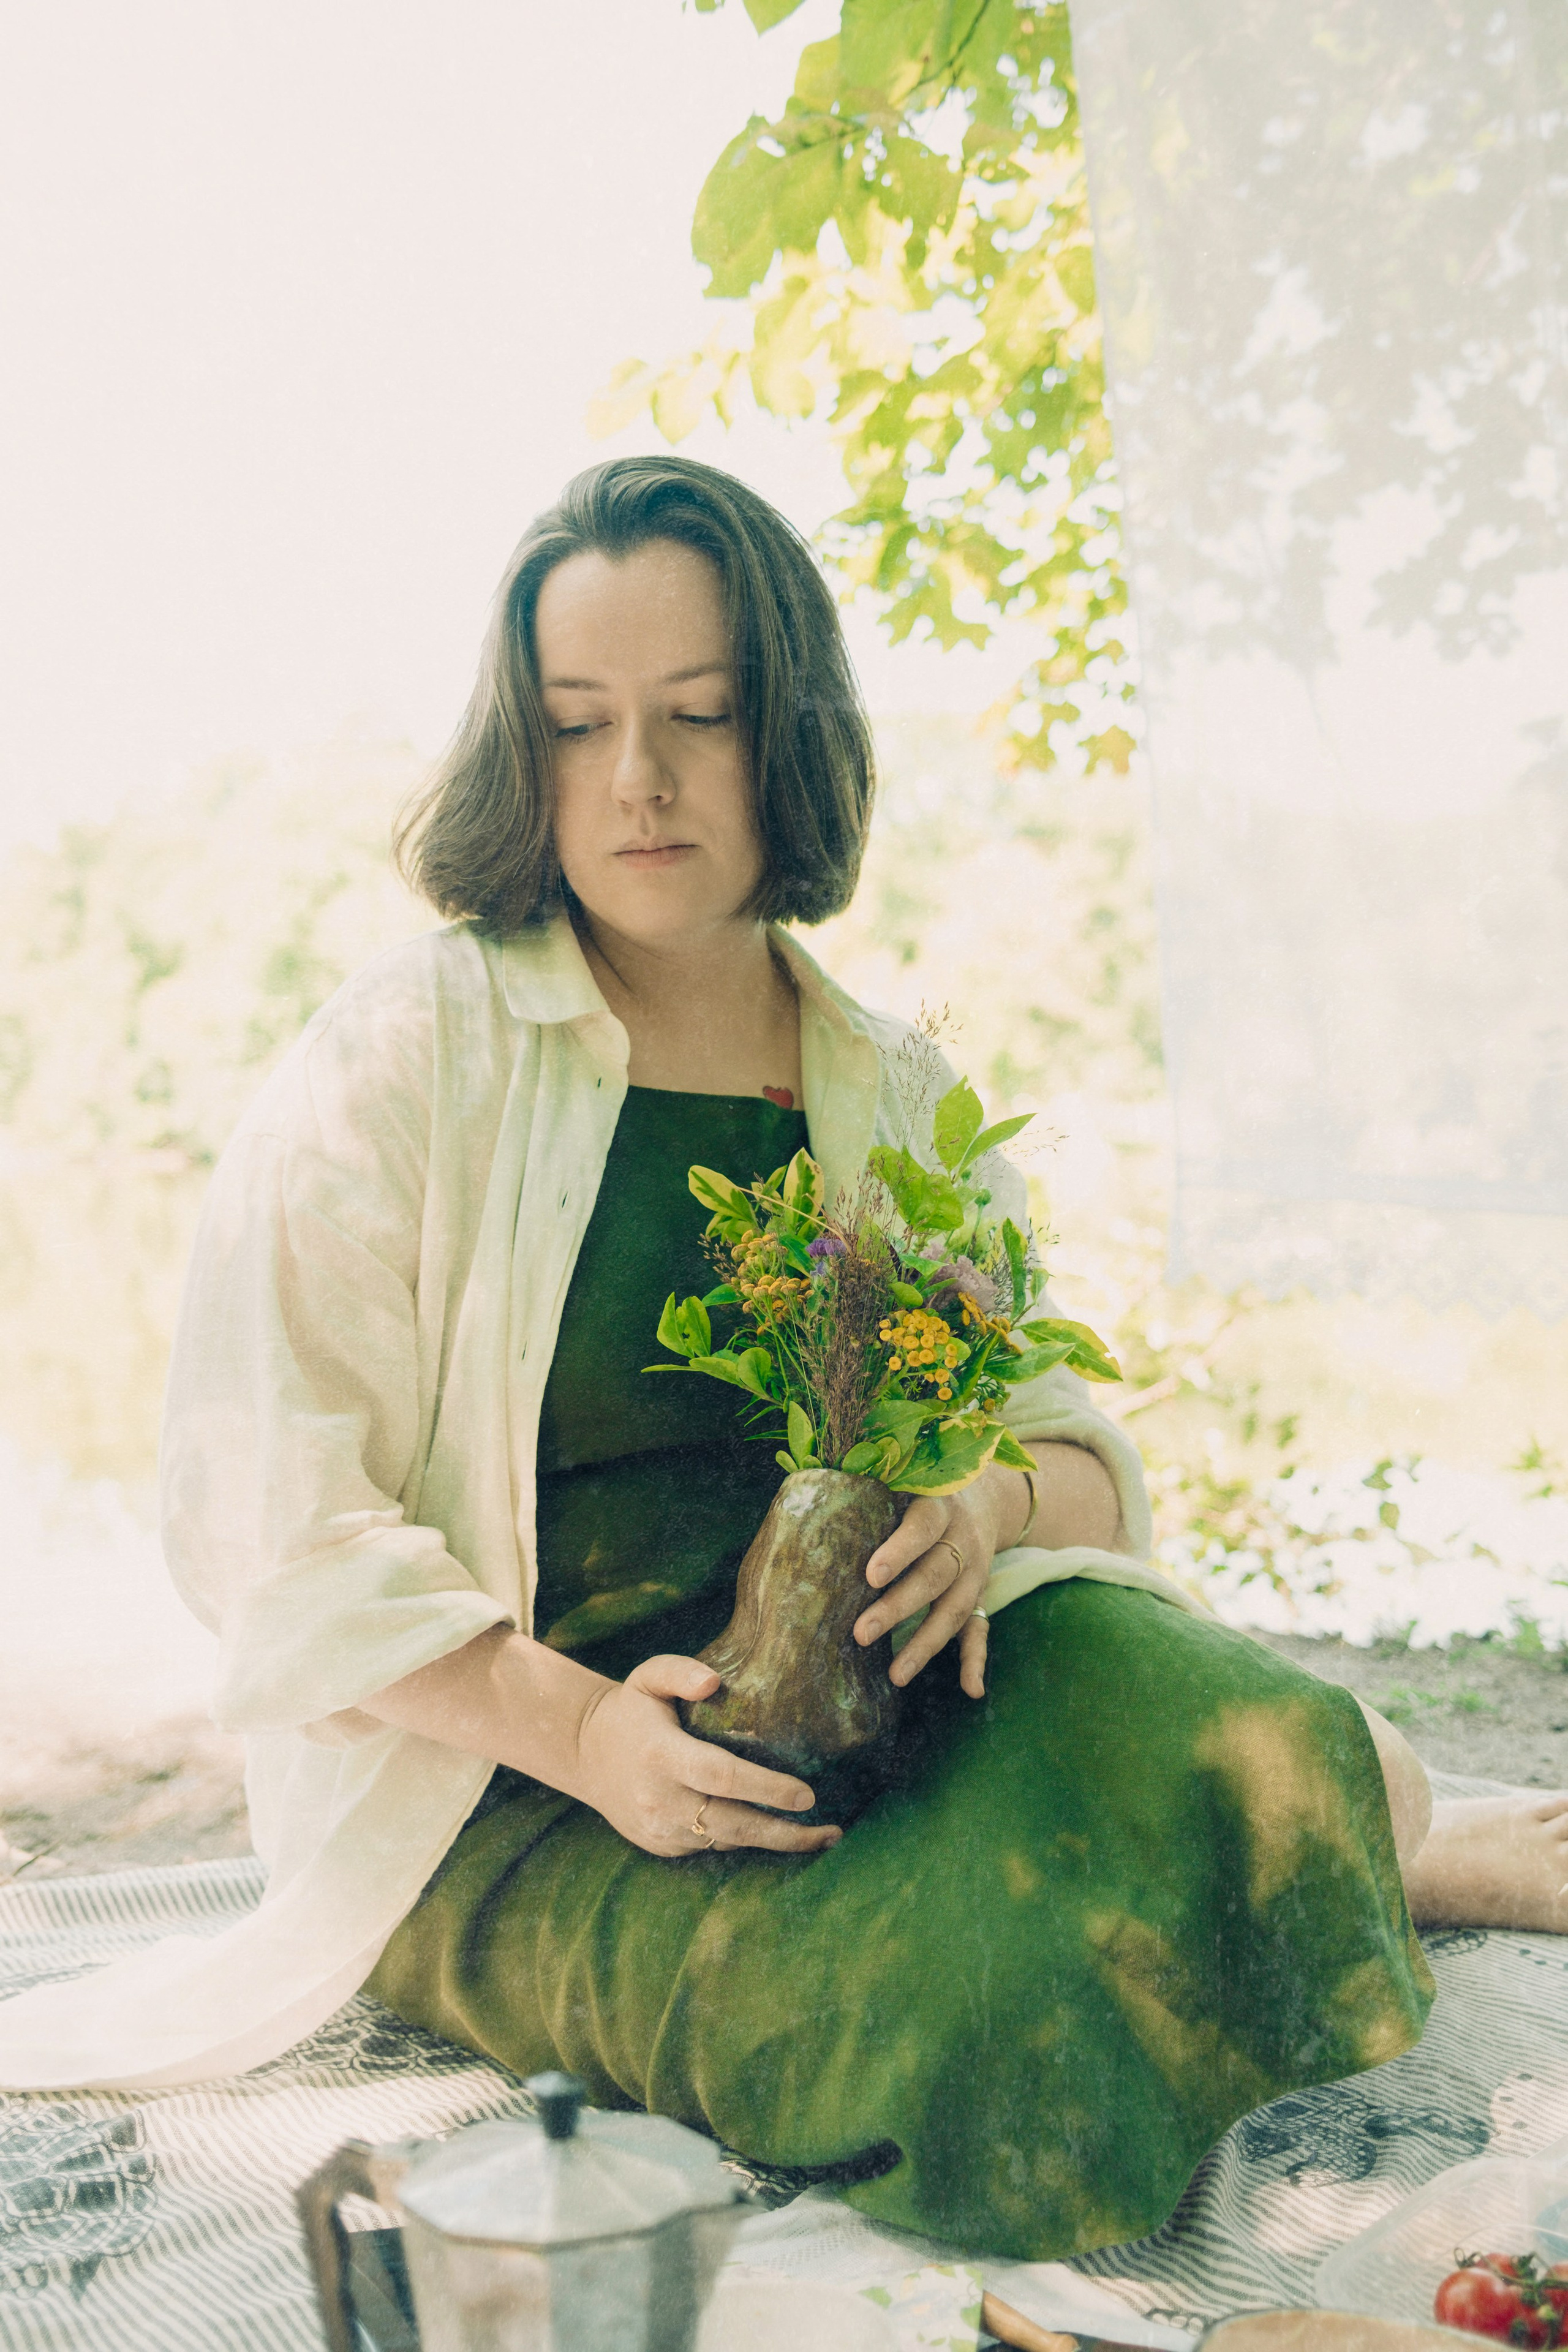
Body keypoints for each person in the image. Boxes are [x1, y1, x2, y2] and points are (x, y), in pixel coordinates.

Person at [2, 458, 1564, 2259]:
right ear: (528, 752)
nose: (639, 779)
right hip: (515, 1791)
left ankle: (1377, 1843)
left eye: (702, 717)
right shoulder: (405, 1054)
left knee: (1286, 1748)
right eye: (581, 726)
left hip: (864, 1717)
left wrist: (979, 1508)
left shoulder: (892, 1087)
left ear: (792, 735)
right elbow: (270, 1521)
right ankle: (1353, 1881)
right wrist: (585, 1729)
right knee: (978, 2033)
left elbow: (1074, 1454)